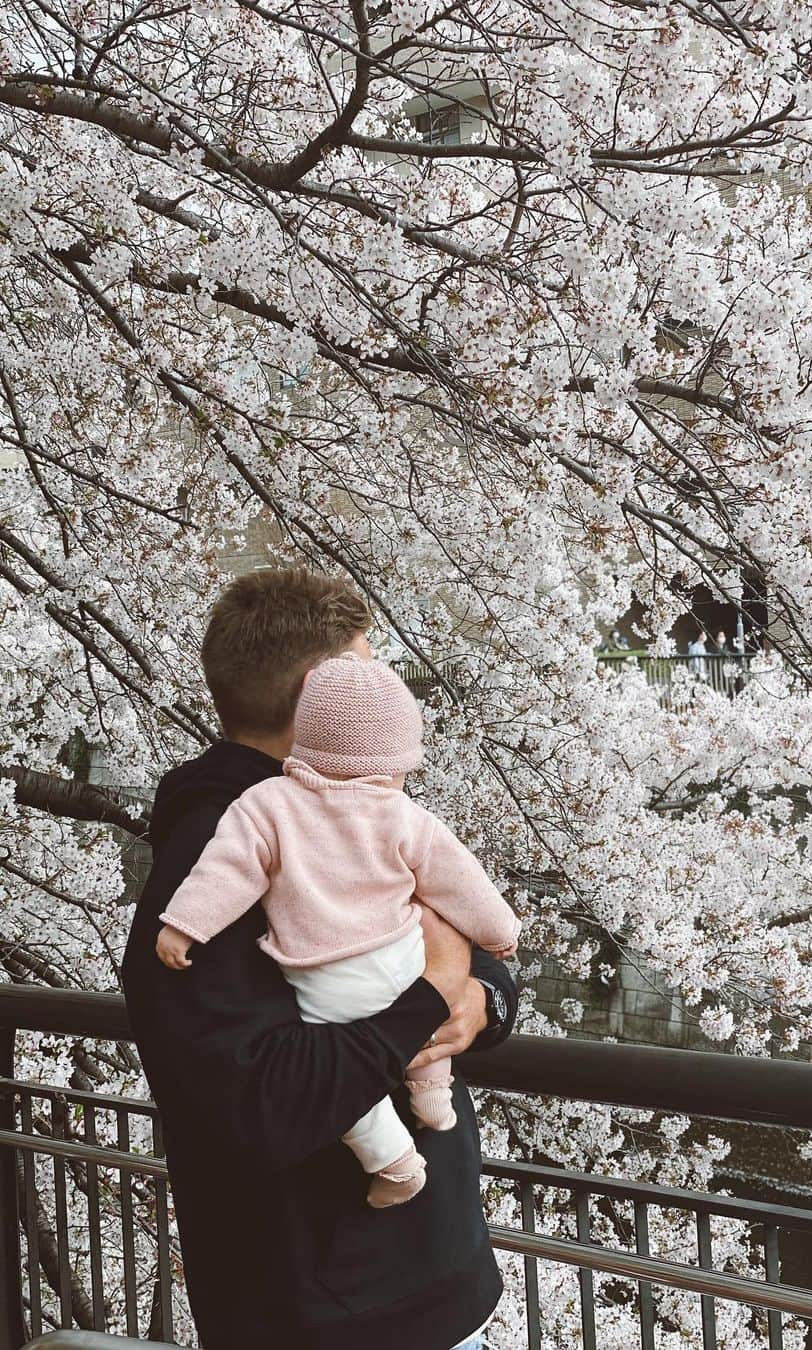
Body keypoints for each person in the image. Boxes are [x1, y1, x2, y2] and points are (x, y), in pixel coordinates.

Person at [121, 569, 518, 1350]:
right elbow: (271, 1098)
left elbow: (481, 953)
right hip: (325, 1314)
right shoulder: (214, 864)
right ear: (320, 692)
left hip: (434, 1279)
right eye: (366, 667)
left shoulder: (369, 816)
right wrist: (435, 994)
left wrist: (481, 1004)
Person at [156, 653, 520, 1209]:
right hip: (403, 957)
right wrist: (498, 932)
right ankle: (432, 1091)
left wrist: (185, 924)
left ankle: (394, 1159)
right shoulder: (402, 815)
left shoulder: (266, 805)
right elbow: (460, 884)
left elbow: (226, 872)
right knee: (380, 1043)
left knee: (356, 1087)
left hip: (327, 977)